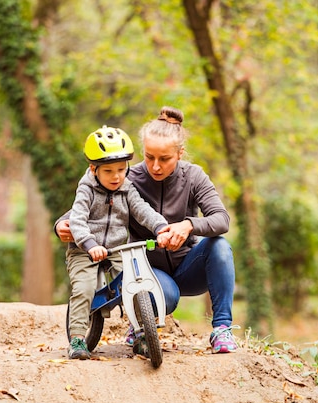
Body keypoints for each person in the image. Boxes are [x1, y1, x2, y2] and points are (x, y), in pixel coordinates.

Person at [56, 106, 239, 354]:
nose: (155, 166)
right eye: (149, 156)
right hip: (146, 270)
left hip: (188, 265)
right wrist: (60, 225)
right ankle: (140, 324)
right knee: (166, 297)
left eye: (164, 159)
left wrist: (188, 225)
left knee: (220, 246)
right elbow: (85, 207)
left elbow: (222, 219)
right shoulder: (128, 177)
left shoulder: (194, 176)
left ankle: (222, 330)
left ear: (180, 154)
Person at [64, 125, 169, 360]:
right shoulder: (86, 190)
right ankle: (78, 338)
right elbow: (77, 220)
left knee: (137, 282)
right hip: (84, 249)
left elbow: (143, 210)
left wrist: (161, 227)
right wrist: (89, 244)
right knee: (84, 288)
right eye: (109, 171)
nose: (116, 176)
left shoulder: (126, 188)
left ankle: (143, 334)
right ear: (94, 169)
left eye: (121, 169)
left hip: (117, 249)